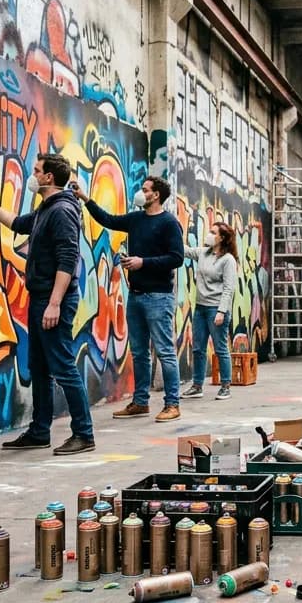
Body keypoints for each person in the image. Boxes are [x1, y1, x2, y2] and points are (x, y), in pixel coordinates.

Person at [0, 153, 96, 455]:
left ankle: (84, 433)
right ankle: (40, 431)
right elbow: (16, 223)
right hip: (41, 298)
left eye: (37, 170)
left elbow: (68, 259)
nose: (33, 174)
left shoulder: (62, 210)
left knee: (63, 365)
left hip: (54, 300)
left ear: (49, 177)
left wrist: (54, 303)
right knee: (39, 367)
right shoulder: (46, 209)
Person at [75, 176, 185, 422]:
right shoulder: (136, 219)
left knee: (165, 352)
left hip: (159, 297)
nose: (140, 192)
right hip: (135, 296)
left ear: (156, 195)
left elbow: (176, 258)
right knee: (139, 353)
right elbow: (108, 220)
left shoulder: (169, 223)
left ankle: (172, 404)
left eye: (145, 189)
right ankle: (140, 402)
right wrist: (85, 198)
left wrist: (142, 262)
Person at [182, 221, 240, 400]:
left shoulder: (228, 260)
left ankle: (225, 386)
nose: (208, 234)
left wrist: (222, 312)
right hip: (200, 308)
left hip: (216, 309)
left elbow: (229, 288)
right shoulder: (204, 253)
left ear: (221, 238)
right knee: (198, 348)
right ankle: (197, 386)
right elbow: (185, 250)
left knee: (220, 348)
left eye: (213, 232)